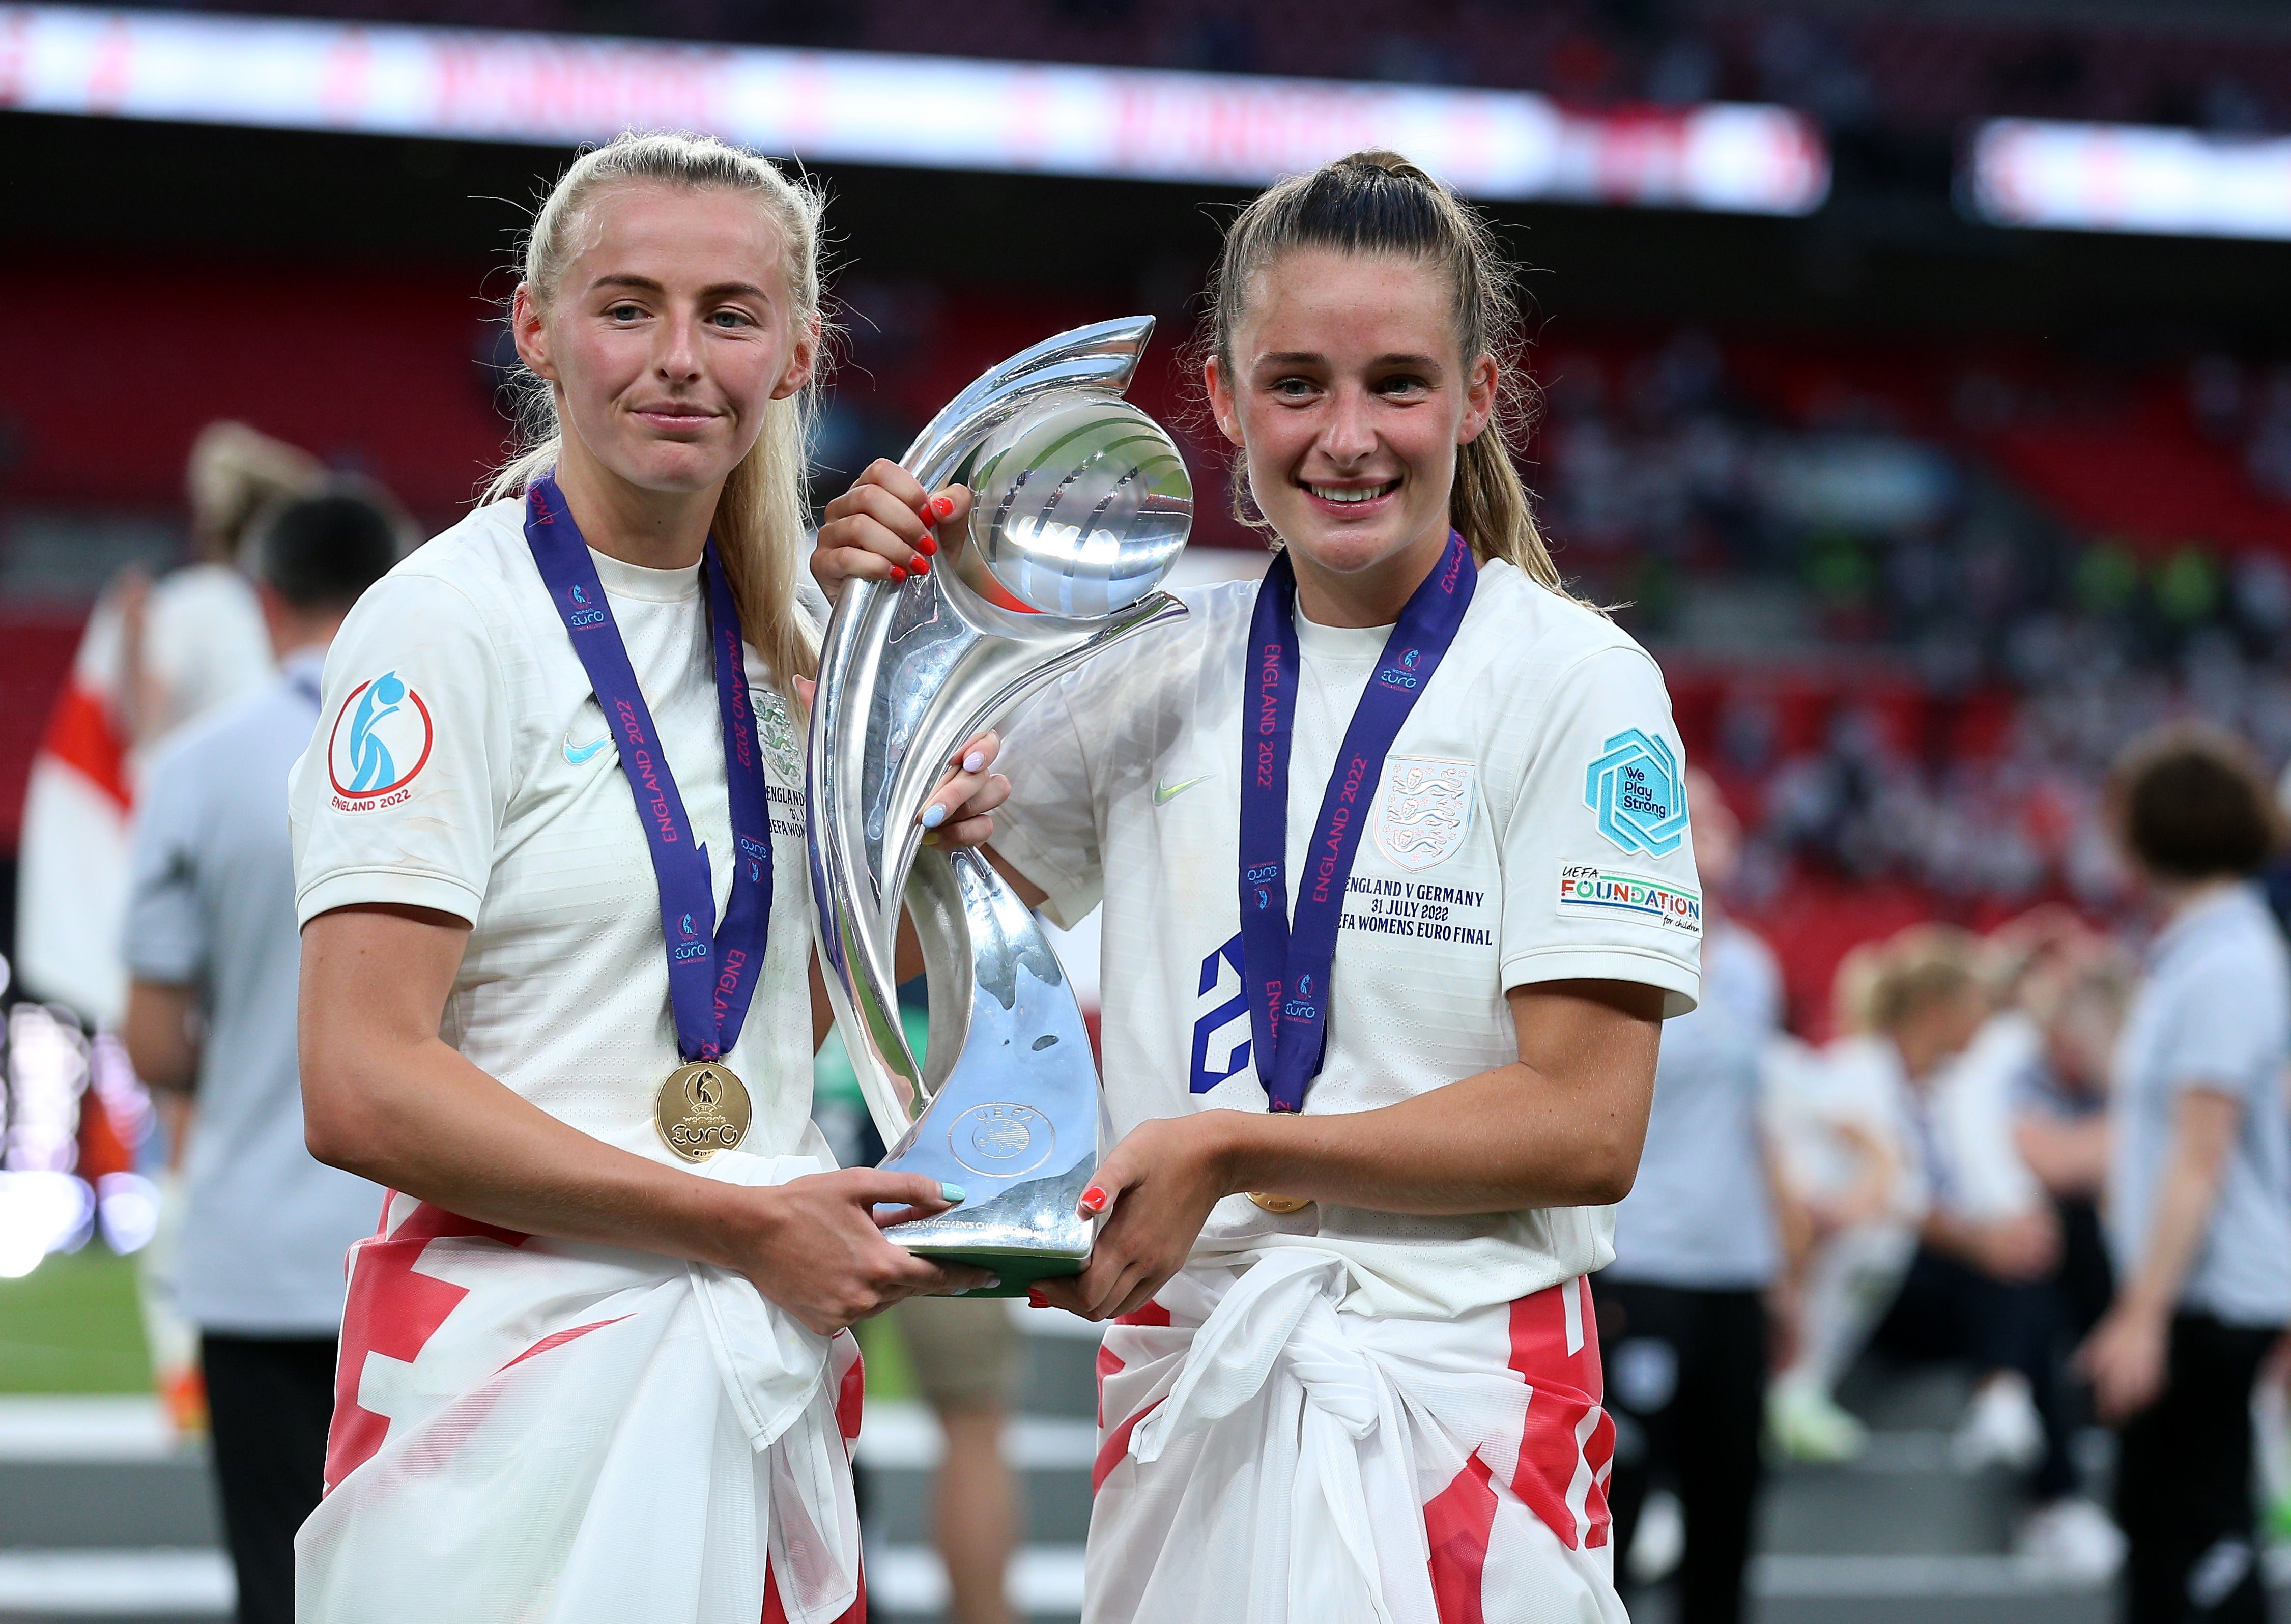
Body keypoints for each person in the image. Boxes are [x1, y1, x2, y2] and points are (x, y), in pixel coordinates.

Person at [816, 149, 1702, 1623]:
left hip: (1452, 1393)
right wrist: (869, 647)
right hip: (1190, 1391)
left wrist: (1230, 1150)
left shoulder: (1571, 680)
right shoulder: (1156, 664)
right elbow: (900, 905)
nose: (1345, 438)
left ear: (1477, 396)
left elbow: (1584, 1121)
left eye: (1396, 386)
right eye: (1294, 385)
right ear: (1220, 402)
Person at [287, 131, 1003, 1624]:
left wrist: (909, 781)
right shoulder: (447, 627)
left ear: (798, 351)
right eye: (628, 307)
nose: (679, 360)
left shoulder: (792, 646)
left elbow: (772, 1014)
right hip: (506, 1385)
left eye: (729, 317)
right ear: (535, 328)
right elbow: (359, 1082)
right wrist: (739, 1221)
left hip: (746, 1368)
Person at [119, 489, 401, 1624]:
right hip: (429, 1228)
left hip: (251, 1242)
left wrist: (233, 1063)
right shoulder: (476, 740)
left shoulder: (196, 767)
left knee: (277, 1584)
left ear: (263, 596)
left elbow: (150, 1036)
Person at [2081, 724, 2291, 1624]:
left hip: (2204, 1298)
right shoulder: (2201, 954)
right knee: (2164, 1531)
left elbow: (2201, 1154)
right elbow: (2164, 1125)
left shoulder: (2227, 963)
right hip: (2192, 1293)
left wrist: (2141, 1315)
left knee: (2193, 1545)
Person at [1595, 769, 1780, 1624]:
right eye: (1692, 811)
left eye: (1719, 812)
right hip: (1644, 1262)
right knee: (1618, 1504)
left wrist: (1788, 1263)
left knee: (1728, 1502)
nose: (1716, 826)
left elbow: (1753, 1124)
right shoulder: (1610, 943)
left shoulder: (1749, 965)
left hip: (1734, 1269)